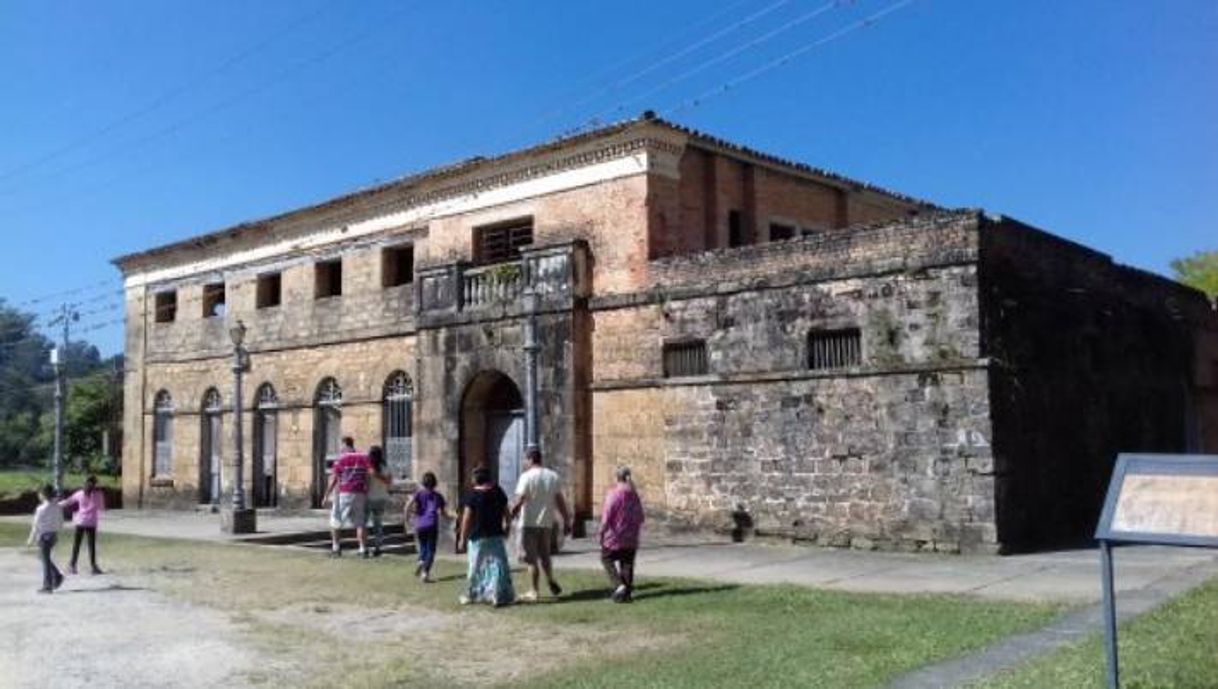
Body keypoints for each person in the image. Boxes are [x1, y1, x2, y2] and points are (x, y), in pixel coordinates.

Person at [510, 448, 572, 602]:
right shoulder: (552, 476)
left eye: (525, 459)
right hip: (546, 523)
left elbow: (520, 499)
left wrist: (510, 515)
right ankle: (550, 578)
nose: (524, 462)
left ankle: (534, 591)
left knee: (531, 559)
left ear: (530, 459)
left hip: (529, 522)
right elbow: (560, 501)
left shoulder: (526, 477)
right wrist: (567, 520)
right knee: (545, 556)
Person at [457, 466, 514, 606]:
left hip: (478, 537)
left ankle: (472, 594)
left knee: (475, 566)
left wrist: (462, 538)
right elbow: (507, 512)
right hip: (496, 535)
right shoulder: (498, 492)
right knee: (498, 565)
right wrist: (508, 527)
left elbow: (467, 519)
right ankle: (497, 594)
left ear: (476, 479)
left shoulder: (472, 495)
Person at [599, 466, 645, 603]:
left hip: (615, 537)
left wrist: (601, 533)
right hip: (631, 536)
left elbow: (606, 518)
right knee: (627, 564)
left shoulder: (613, 495)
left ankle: (618, 585)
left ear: (616, 478)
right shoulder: (634, 495)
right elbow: (641, 517)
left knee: (606, 558)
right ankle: (626, 594)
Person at [323, 436, 373, 558]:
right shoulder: (363, 457)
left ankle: (336, 548)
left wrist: (326, 495)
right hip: (360, 493)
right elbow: (368, 476)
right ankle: (363, 549)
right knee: (360, 523)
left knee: (335, 521)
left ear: (345, 444)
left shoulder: (341, 459)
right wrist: (367, 490)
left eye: (341, 445)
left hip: (344, 492)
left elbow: (334, 479)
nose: (340, 448)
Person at [406, 471, 448, 582]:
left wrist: (407, 518)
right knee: (431, 550)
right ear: (435, 483)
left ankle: (421, 561)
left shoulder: (419, 494)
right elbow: (443, 512)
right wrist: (451, 517)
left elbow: (408, 505)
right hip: (432, 524)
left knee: (423, 546)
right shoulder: (438, 496)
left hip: (420, 524)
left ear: (423, 483)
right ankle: (425, 573)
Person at [59, 475, 105, 575]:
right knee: (91, 545)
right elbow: (101, 508)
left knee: (76, 545)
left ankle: (72, 566)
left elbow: (68, 501)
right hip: (91, 522)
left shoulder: (80, 493)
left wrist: (56, 504)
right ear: (95, 484)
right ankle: (93, 567)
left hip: (80, 521)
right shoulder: (98, 495)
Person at [27, 484, 65, 594]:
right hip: (53, 535)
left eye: (39, 493)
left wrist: (30, 539)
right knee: (43, 557)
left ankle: (48, 585)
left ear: (43, 495)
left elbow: (35, 525)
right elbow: (61, 522)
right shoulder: (57, 506)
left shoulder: (41, 509)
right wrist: (56, 531)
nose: (38, 495)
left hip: (44, 537)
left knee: (45, 560)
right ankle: (57, 576)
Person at [365, 446, 392, 558]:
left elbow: (366, 484)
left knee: (364, 523)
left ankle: (364, 546)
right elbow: (389, 481)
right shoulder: (386, 467)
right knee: (378, 524)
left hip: (370, 498)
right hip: (382, 497)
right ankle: (378, 547)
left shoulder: (369, 468)